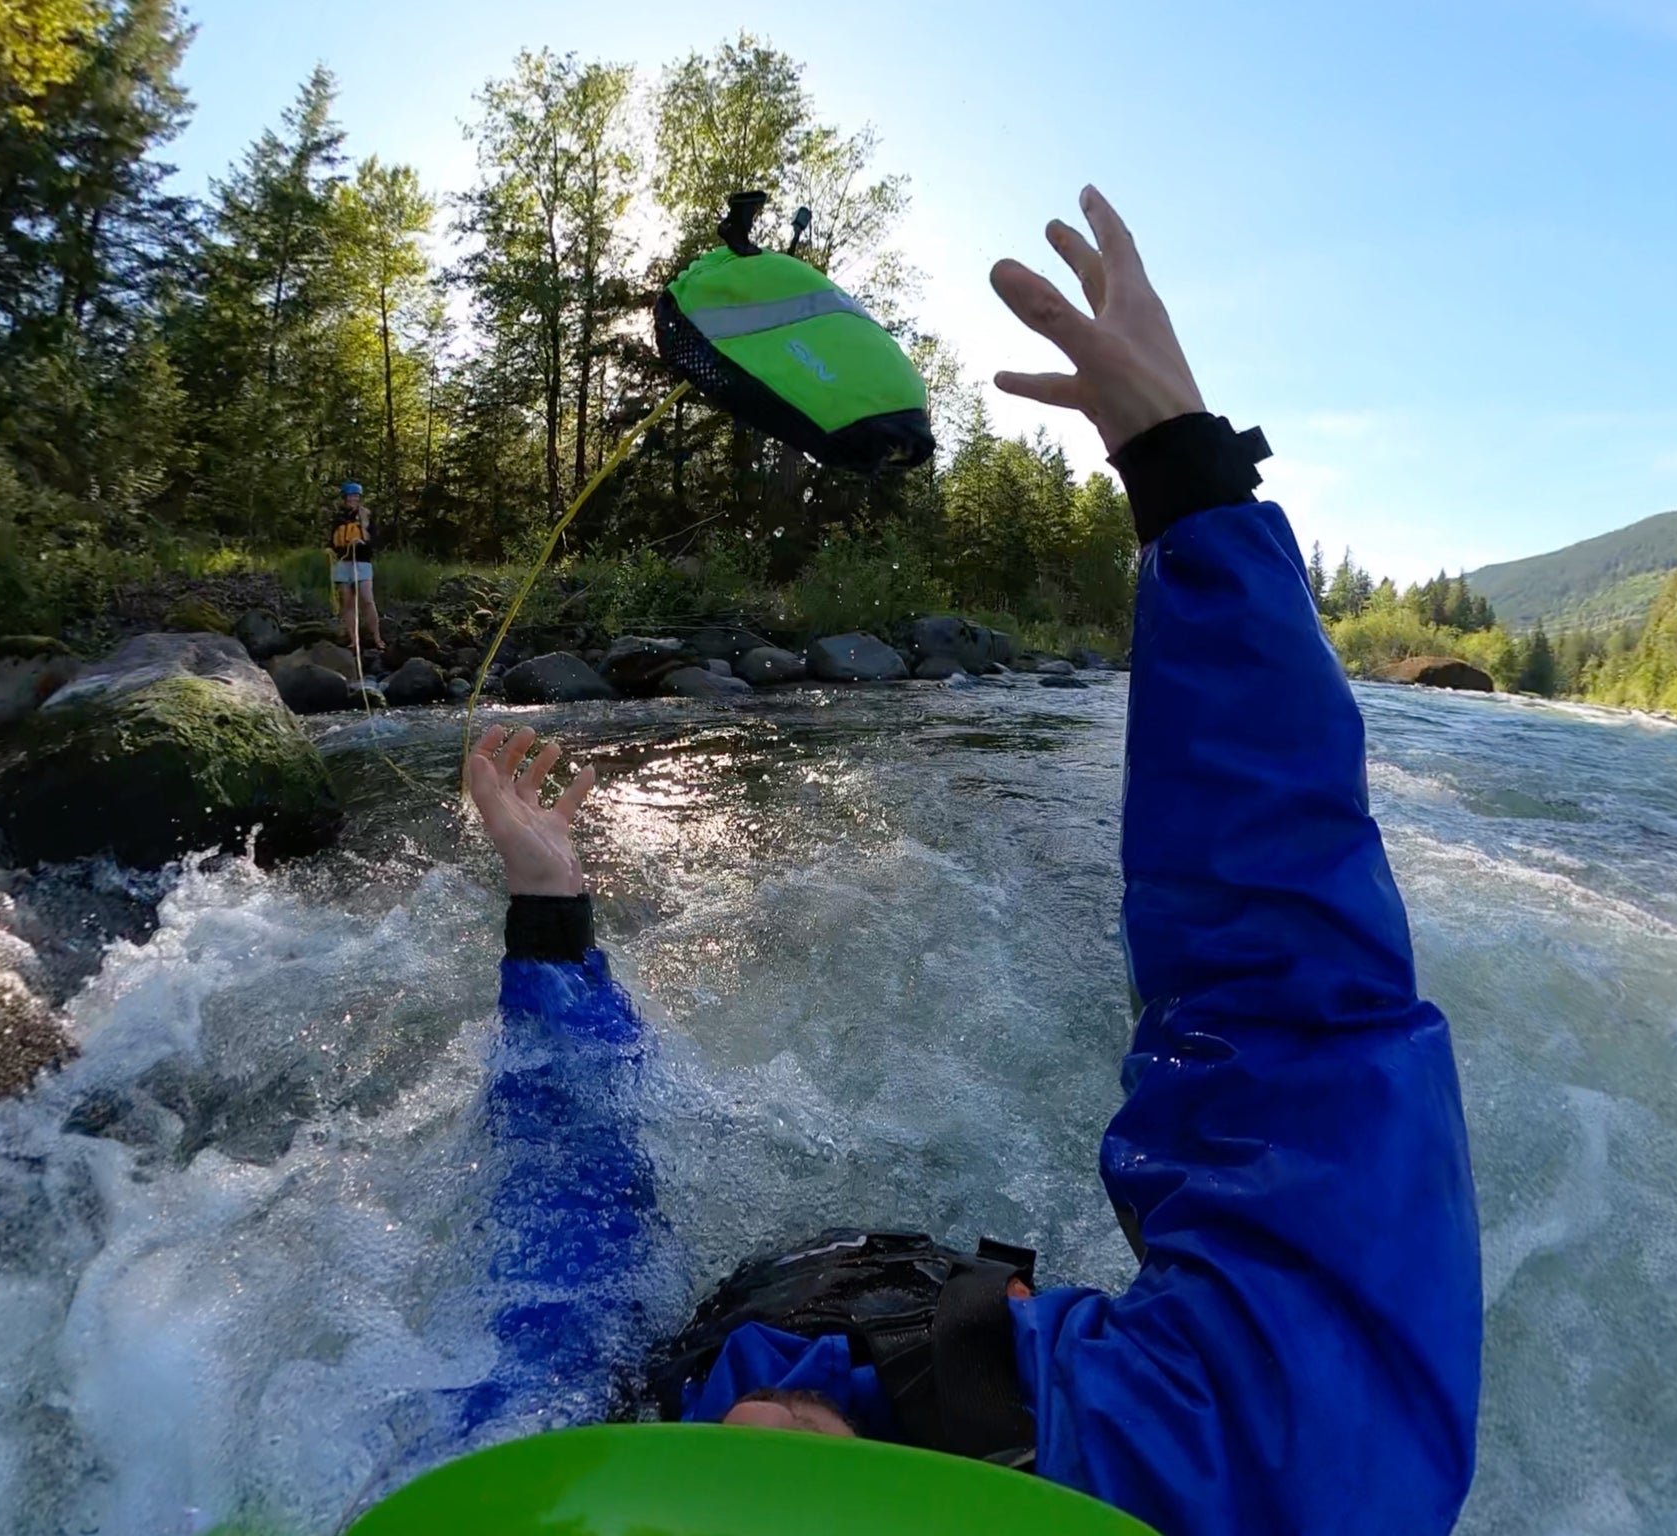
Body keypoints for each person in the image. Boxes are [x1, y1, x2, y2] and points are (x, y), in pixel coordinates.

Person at [459, 187, 1482, 1536]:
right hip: (968, 1348)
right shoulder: (1264, 1470)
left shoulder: (529, 1454)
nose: (769, 1478)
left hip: (783, 1319)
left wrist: (552, 931)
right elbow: (1296, 1018)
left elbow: (562, 1231)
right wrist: (1189, 480)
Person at [330, 481, 383, 660]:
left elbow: (375, 541)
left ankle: (377, 637)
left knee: (367, 600)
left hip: (362, 562)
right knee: (347, 602)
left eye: (356, 496)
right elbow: (332, 540)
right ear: (345, 498)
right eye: (350, 496)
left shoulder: (366, 517)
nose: (353, 499)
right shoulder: (338, 518)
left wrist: (363, 542)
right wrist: (330, 549)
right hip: (343, 563)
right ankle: (354, 640)